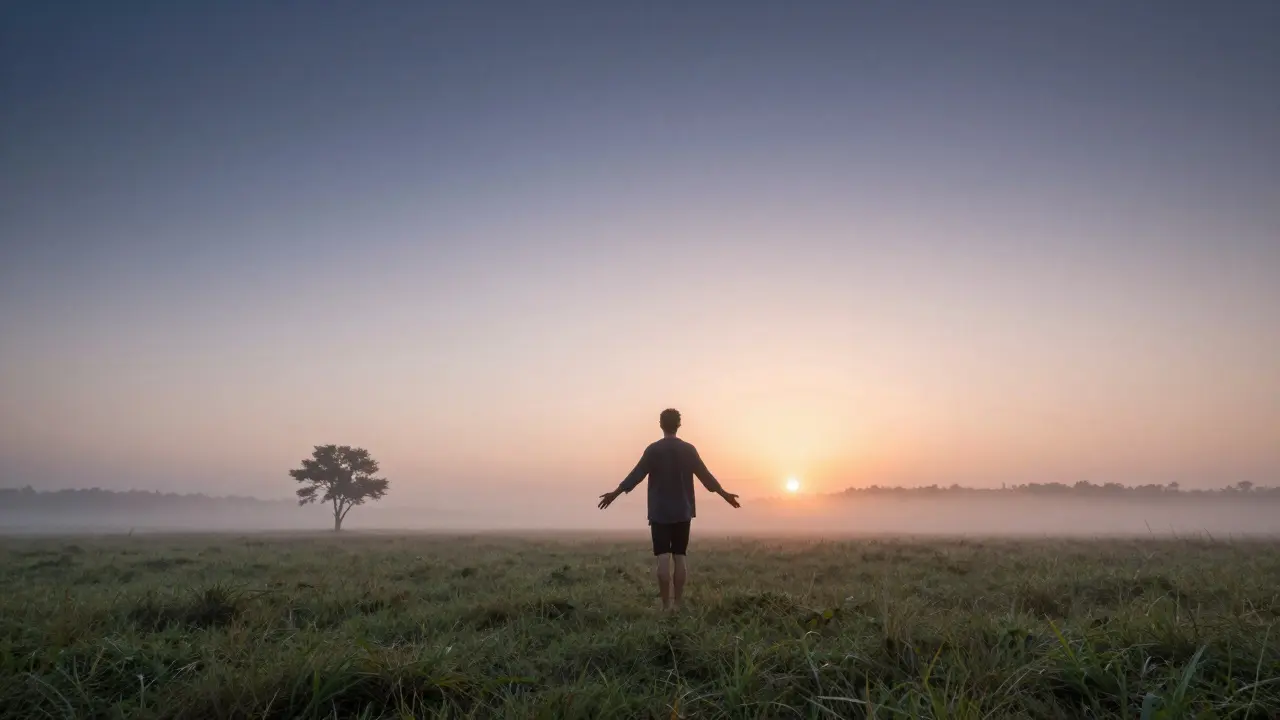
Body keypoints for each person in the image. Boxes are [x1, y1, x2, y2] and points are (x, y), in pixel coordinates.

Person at [598, 408, 740, 611]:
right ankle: (679, 604)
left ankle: (666, 606)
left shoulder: (653, 450)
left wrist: (614, 494)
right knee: (680, 557)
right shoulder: (689, 450)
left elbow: (635, 475)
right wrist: (725, 495)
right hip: (683, 511)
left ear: (660, 424)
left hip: (659, 512)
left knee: (663, 558)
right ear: (679, 425)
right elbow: (706, 477)